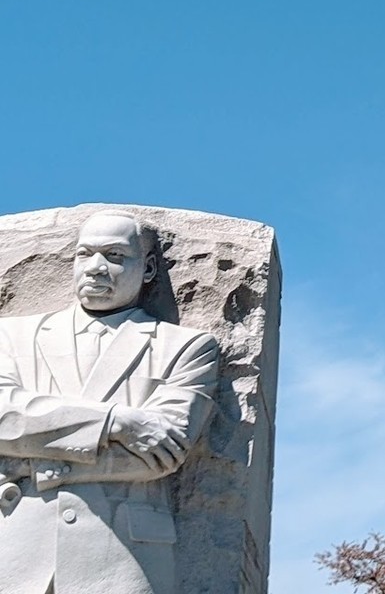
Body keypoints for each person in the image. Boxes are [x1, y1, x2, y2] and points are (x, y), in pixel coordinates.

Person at [0, 210, 220, 594]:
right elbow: (4, 417)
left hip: (124, 559)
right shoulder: (12, 336)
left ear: (148, 268)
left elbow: (162, 453)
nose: (96, 269)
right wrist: (118, 422)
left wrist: (35, 462)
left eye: (115, 256)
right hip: (19, 551)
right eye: (85, 254)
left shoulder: (185, 348)